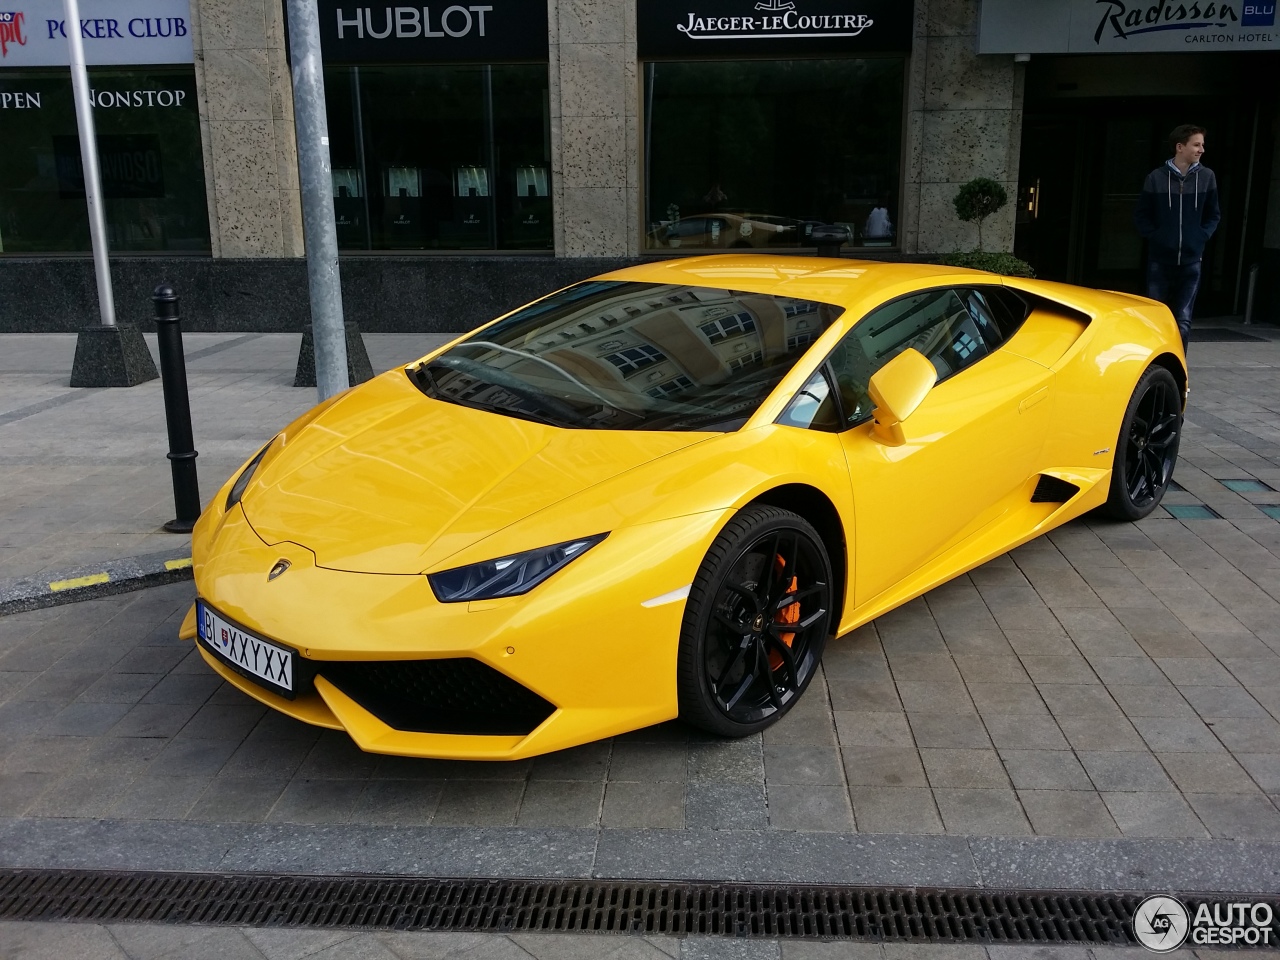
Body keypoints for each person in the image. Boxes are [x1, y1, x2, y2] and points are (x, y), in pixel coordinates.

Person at [1133, 125, 1220, 351]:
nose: (1202, 149)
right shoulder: (1155, 178)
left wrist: (1201, 237)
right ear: (1180, 147)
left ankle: (1178, 371)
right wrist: (1156, 237)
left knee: (1183, 319)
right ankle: (1156, 364)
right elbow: (1142, 215)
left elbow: (1213, 214)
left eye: (1202, 144)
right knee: (1156, 318)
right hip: (1160, 259)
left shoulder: (1207, 177)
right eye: (1196, 144)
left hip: (1192, 259)